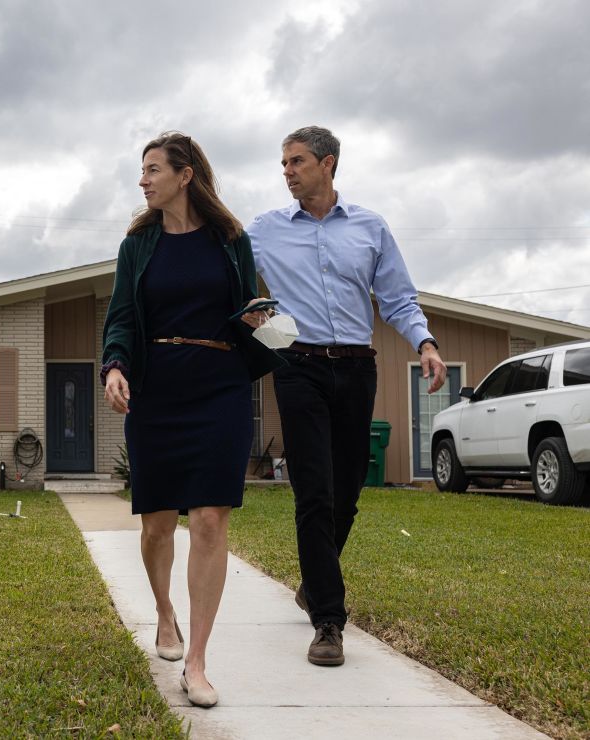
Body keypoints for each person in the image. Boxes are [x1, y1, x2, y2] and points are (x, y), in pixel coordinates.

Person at [243, 125, 447, 667]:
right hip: (297, 364)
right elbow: (233, 280)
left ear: (328, 164)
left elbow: (399, 297)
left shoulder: (370, 228)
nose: (286, 171)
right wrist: (263, 322)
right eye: (283, 162)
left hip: (357, 368)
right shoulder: (264, 229)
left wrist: (424, 343)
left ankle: (315, 578)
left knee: (348, 492)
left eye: (297, 161)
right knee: (313, 491)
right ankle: (328, 621)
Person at [101, 132, 284, 708]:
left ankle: (199, 663)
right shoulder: (138, 244)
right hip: (157, 393)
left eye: (153, 169)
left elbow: (247, 310)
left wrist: (260, 321)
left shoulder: (232, 240)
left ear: (185, 175)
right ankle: (163, 612)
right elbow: (122, 316)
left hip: (220, 388)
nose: (143, 180)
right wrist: (114, 367)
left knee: (209, 518)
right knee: (157, 524)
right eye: (142, 170)